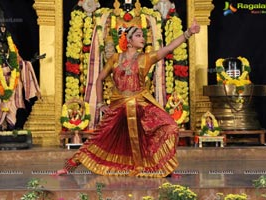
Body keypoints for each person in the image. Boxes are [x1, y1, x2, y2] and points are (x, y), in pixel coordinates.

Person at [55, 19, 200, 177]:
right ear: (129, 41)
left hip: (142, 105)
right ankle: (68, 168)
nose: (142, 38)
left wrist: (188, 33)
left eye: (143, 36)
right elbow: (99, 79)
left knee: (170, 126)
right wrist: (100, 104)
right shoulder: (115, 59)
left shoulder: (146, 58)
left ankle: (163, 168)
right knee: (99, 137)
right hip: (119, 106)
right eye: (138, 35)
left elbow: (169, 47)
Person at [0, 8, 41, 130]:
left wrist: (32, 60)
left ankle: (10, 128)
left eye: (4, 27)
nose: (2, 30)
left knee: (12, 107)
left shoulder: (11, 45)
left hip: (11, 81)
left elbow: (19, 62)